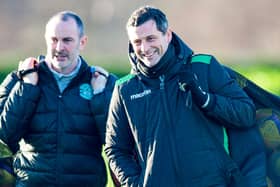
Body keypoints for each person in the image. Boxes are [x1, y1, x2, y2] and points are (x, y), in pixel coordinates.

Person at [105, 5, 267, 187]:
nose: (144, 48)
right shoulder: (125, 89)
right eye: (137, 42)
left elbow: (246, 113)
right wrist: (136, 184)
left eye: (151, 38)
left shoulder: (203, 66)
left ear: (168, 35)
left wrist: (207, 100)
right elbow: (115, 149)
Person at [0, 11, 117, 186]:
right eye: (54, 39)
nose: (59, 47)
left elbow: (116, 144)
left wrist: (100, 96)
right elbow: (4, 138)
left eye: (67, 40)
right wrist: (27, 88)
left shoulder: (104, 83)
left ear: (82, 42)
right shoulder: (19, 79)